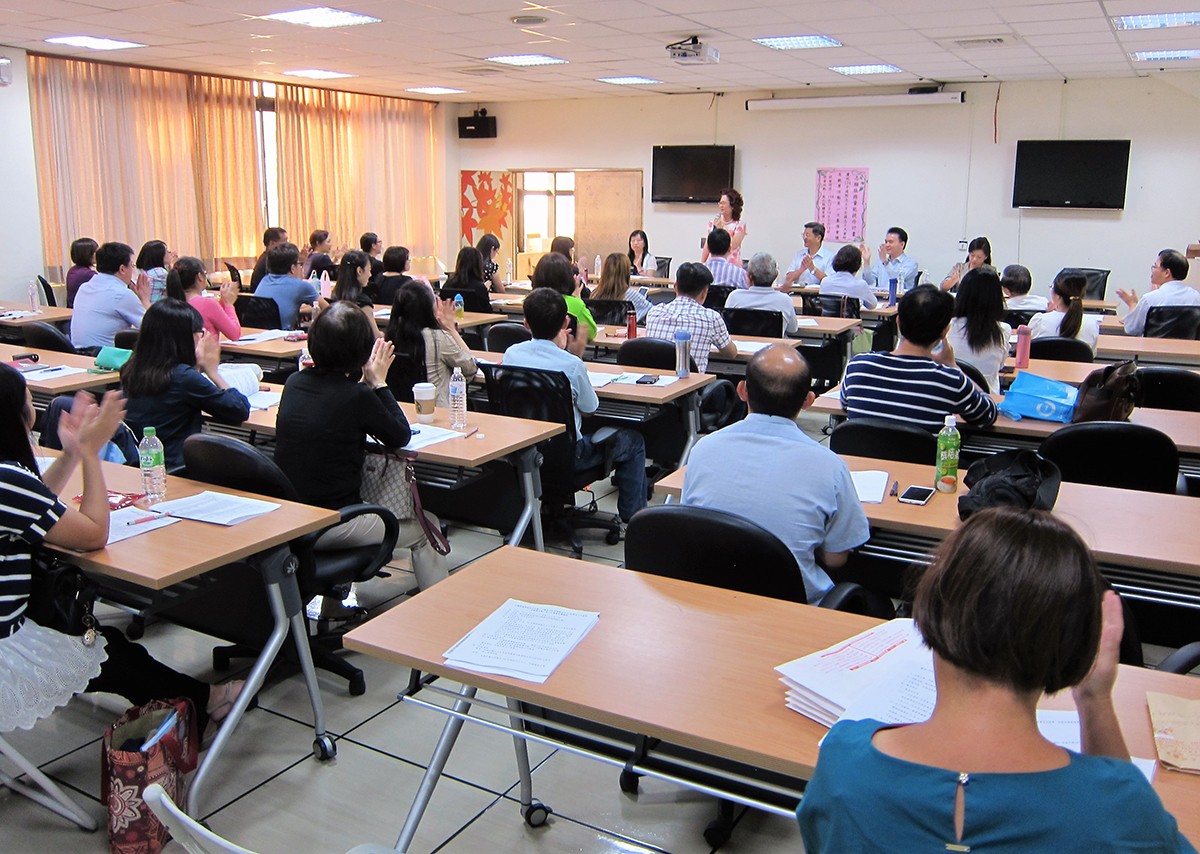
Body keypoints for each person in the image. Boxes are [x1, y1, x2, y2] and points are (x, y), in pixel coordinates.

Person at [798, 507, 1194, 853]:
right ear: (1077, 646)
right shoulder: (1119, 809)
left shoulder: (843, 763)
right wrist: (1095, 700)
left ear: (931, 608)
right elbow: (1128, 822)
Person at [0, 371, 243, 738]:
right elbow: (93, 534)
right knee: (105, 650)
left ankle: (205, 699)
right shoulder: (7, 480)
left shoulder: (11, 484)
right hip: (7, 647)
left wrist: (71, 453)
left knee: (105, 645)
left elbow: (33, 507)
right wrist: (90, 455)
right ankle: (207, 701)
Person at [274, 302, 448, 596]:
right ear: (361, 352)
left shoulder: (294, 383)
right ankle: (439, 611)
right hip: (332, 523)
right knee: (427, 525)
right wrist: (379, 383)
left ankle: (335, 610)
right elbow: (400, 435)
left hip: (293, 518)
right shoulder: (355, 396)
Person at [682, 345, 868, 603]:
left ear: (742, 391)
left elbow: (691, 527)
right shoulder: (830, 466)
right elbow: (836, 558)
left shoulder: (703, 449)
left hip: (713, 598)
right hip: (794, 608)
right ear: (808, 401)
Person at [502, 287, 647, 523]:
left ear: (525, 323)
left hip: (524, 451)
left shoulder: (511, 354)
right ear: (565, 322)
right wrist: (573, 355)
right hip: (569, 457)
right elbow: (590, 409)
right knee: (634, 441)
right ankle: (634, 519)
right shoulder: (571, 365)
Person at [841, 285, 997, 432]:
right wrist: (953, 366)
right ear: (945, 331)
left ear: (898, 322)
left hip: (861, 453)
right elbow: (988, 415)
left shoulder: (857, 367)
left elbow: (845, 405)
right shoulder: (950, 380)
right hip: (924, 454)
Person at [120, 299, 250, 470]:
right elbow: (239, 409)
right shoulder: (182, 377)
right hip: (177, 468)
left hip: (142, 464)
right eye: (201, 333)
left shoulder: (132, 368)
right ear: (186, 338)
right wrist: (213, 372)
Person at [384, 280, 476, 405]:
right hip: (436, 410)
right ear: (427, 309)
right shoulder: (437, 338)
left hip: (402, 409)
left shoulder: (391, 336)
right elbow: (470, 368)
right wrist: (451, 329)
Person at [645, 262, 737, 373]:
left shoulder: (654, 313)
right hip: (692, 383)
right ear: (704, 292)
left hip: (657, 381)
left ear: (675, 286)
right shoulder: (711, 318)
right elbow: (731, 354)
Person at [70, 241, 150, 350]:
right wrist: (145, 299)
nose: (133, 270)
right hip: (104, 356)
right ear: (122, 269)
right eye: (132, 265)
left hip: (78, 353)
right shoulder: (121, 294)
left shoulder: (84, 287)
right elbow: (152, 328)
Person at [944, 266, 1011, 393]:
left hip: (951, 396)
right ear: (997, 298)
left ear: (962, 295)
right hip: (988, 398)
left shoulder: (946, 326)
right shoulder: (1003, 329)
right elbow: (1000, 366)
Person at [1117, 249, 1200, 336]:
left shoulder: (1150, 299)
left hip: (1152, 345)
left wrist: (1132, 304)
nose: (1152, 270)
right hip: (1187, 345)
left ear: (1167, 273)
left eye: (1155, 266)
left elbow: (1132, 329)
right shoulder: (1197, 297)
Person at [165, 255, 241, 341]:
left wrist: (222, 301)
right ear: (200, 276)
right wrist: (228, 304)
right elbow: (234, 334)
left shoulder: (168, 304)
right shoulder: (207, 304)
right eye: (205, 273)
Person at [255, 242, 325, 330]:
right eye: (299, 264)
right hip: (285, 335)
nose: (301, 267)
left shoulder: (264, 280)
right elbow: (327, 309)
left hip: (260, 334)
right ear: (293, 268)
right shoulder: (301, 286)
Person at [531, 252, 597, 342]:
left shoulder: (532, 301)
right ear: (567, 277)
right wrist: (578, 299)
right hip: (566, 349)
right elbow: (591, 333)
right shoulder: (575, 304)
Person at [726, 252, 798, 335]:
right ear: (776, 276)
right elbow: (793, 329)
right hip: (773, 343)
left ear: (749, 276)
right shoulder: (785, 300)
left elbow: (726, 325)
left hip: (740, 343)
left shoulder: (734, 297)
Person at [1029, 271, 1101, 351]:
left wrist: (1048, 314)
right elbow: (1091, 354)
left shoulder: (1040, 320)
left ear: (1057, 296)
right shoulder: (1092, 324)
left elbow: (1027, 349)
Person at [331, 249, 382, 338]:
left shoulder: (335, 294)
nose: (370, 275)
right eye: (369, 270)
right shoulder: (363, 302)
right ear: (359, 271)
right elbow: (375, 336)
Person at [592, 252, 651, 322]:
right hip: (623, 328)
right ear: (626, 272)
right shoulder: (632, 295)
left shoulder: (595, 294)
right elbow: (653, 311)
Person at [818, 245, 878, 310]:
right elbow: (872, 305)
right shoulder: (860, 285)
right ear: (857, 265)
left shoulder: (825, 282)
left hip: (828, 317)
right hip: (850, 316)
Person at [862, 226, 918, 294]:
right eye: (886, 242)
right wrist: (866, 263)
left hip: (900, 299)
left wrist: (885, 262)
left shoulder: (911, 264)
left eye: (891, 242)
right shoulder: (881, 262)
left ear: (902, 244)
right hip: (880, 298)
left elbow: (897, 281)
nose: (887, 245)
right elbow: (869, 282)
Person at [700, 189, 746, 267]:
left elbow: (733, 245)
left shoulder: (739, 225)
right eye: (720, 203)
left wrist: (722, 229)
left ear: (732, 206)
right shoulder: (714, 223)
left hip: (732, 264)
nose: (721, 206)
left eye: (723, 203)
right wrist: (702, 263)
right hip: (712, 264)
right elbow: (708, 244)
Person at [783, 221, 833, 288]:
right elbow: (788, 279)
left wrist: (813, 269)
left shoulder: (830, 257)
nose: (804, 238)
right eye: (803, 235)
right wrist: (801, 269)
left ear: (818, 238)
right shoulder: (799, 255)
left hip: (819, 293)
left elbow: (830, 282)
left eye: (807, 235)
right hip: (797, 292)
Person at [250, 227, 288, 292]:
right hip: (264, 296)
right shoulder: (270, 261)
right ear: (272, 243)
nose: (287, 244)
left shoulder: (266, 256)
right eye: (284, 241)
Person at [65, 236, 98, 308]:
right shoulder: (88, 274)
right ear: (88, 254)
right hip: (82, 310)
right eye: (96, 252)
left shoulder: (73, 270)